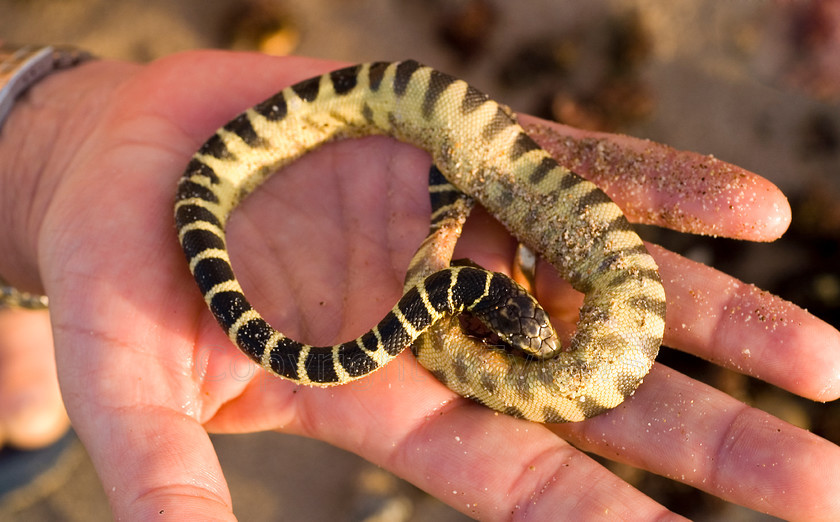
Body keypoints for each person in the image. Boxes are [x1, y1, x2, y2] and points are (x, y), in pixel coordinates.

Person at [0, 50, 838, 520]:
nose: (539, 332)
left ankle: (22, 283)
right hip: (331, 175)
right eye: (519, 316)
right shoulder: (436, 285)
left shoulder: (447, 274)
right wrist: (53, 157)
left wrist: (56, 141)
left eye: (515, 320)